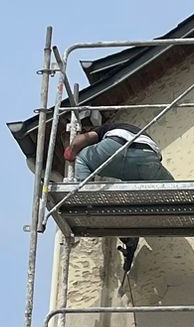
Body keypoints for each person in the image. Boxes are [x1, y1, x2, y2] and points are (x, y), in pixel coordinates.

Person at [64, 113, 172, 275]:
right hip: (148, 156)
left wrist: (71, 151)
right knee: (168, 190)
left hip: (116, 146)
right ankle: (129, 235)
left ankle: (84, 197)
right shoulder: (136, 131)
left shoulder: (104, 130)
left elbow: (82, 140)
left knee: (83, 158)